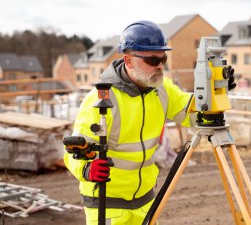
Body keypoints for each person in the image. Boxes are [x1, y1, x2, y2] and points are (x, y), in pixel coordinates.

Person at [64, 20, 235, 225]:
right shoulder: (101, 98)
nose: (160, 66)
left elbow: (193, 115)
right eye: (153, 60)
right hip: (107, 200)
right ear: (128, 60)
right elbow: (74, 150)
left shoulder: (162, 88)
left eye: (163, 59)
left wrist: (214, 91)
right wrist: (86, 170)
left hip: (145, 199)